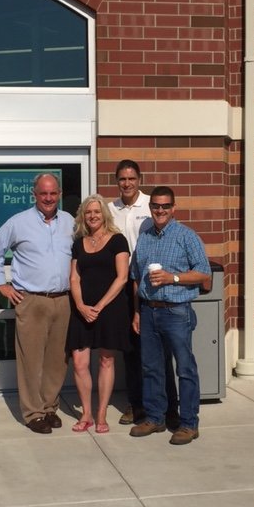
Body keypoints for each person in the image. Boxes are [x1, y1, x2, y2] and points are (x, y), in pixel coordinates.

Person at [0, 173, 74, 434]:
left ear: (59, 194)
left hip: (63, 300)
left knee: (57, 360)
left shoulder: (69, 221)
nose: (49, 198)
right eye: (43, 193)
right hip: (32, 301)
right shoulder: (19, 222)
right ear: (34, 195)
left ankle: (49, 407)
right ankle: (33, 413)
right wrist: (1, 284)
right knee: (31, 361)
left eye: (53, 193)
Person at [129, 186, 211, 445]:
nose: (160, 210)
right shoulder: (144, 237)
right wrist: (136, 311)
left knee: (184, 368)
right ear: (150, 208)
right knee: (151, 368)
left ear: (173, 208)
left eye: (165, 206)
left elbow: (204, 273)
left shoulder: (186, 236)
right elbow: (135, 276)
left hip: (176, 311)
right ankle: (155, 417)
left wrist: (172, 278)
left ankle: (189, 423)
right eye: (156, 206)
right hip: (148, 310)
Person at [108, 160, 179, 430]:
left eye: (131, 178)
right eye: (122, 179)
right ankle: (136, 404)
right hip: (123, 285)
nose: (127, 183)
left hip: (150, 284)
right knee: (131, 349)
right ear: (116, 181)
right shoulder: (110, 209)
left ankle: (170, 408)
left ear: (139, 179)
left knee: (158, 351)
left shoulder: (152, 206)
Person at [67, 194, 131, 434]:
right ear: (83, 216)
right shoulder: (78, 243)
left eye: (96, 211)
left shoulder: (118, 240)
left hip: (110, 308)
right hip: (82, 309)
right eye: (88, 212)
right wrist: (81, 305)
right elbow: (74, 278)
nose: (92, 216)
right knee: (79, 362)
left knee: (106, 360)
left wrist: (100, 306)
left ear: (104, 214)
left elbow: (122, 278)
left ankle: (101, 413)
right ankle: (86, 414)